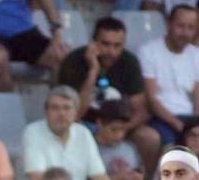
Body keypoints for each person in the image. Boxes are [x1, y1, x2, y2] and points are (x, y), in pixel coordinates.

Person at [57, 16, 160, 171]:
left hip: (121, 125)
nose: (111, 52)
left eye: (117, 46)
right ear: (93, 42)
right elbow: (74, 114)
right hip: (84, 125)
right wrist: (93, 71)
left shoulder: (129, 62)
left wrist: (120, 128)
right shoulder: (74, 61)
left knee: (149, 137)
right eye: (105, 44)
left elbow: (141, 110)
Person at [23, 86, 120, 180]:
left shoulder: (83, 133)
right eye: (55, 108)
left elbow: (100, 177)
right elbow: (37, 178)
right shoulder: (33, 132)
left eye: (67, 108)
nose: (61, 113)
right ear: (46, 113)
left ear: (75, 113)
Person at [140, 4, 199, 150]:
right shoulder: (148, 51)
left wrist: (198, 129)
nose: (185, 32)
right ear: (168, 24)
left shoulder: (197, 55)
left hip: (191, 120)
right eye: (180, 26)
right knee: (173, 150)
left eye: (190, 27)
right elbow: (152, 100)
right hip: (161, 119)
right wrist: (180, 127)